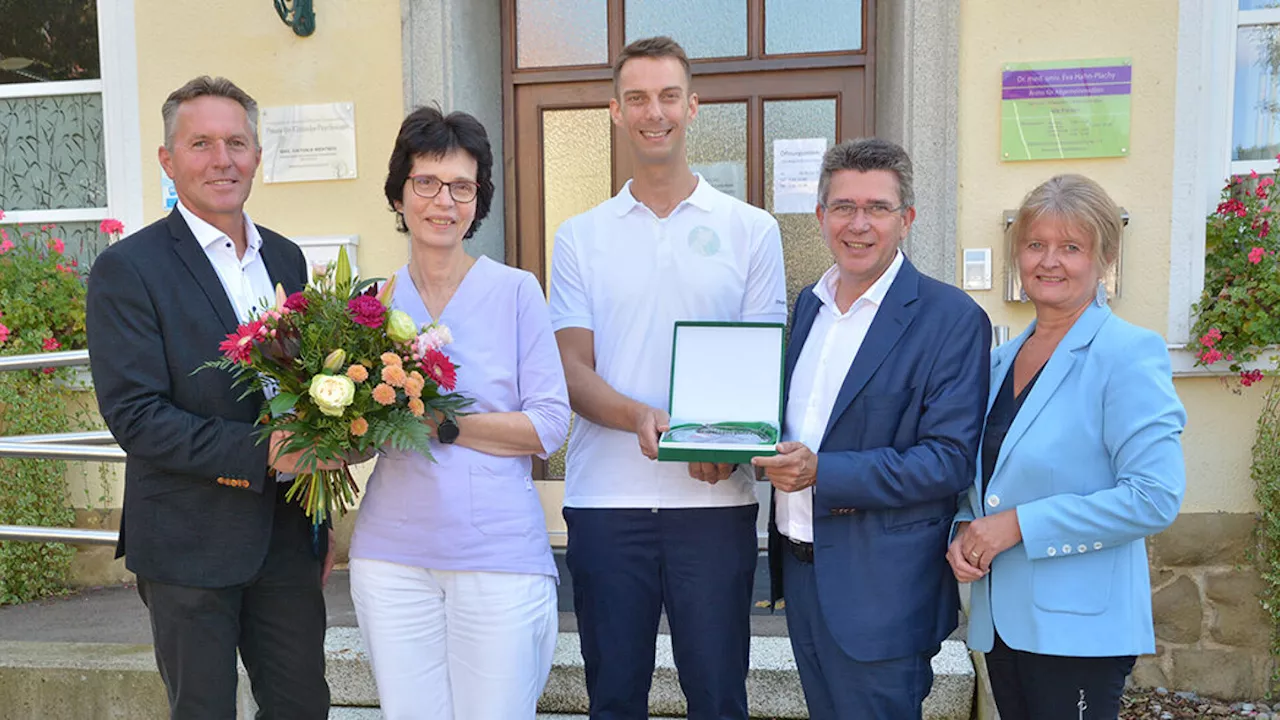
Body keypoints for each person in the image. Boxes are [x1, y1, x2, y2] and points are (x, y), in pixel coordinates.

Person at [548, 36, 787, 720]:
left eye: (669, 96)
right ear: (616, 113)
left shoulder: (751, 229)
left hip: (714, 505)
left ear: (694, 106)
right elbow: (570, 369)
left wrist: (726, 440)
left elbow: (757, 361)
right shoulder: (580, 236)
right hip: (604, 503)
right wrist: (638, 417)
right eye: (638, 98)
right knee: (614, 697)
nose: (655, 112)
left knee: (718, 697)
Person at [86, 76, 333, 718]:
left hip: (285, 536)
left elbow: (302, 395)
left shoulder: (286, 258)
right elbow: (136, 416)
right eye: (201, 143)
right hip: (186, 542)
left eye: (236, 142)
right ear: (168, 160)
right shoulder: (128, 268)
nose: (222, 159)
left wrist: (320, 519)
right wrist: (267, 452)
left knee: (303, 705)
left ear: (256, 153)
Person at [751, 138, 991, 720]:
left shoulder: (951, 319)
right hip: (804, 575)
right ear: (820, 217)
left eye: (877, 208)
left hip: (883, 592)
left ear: (905, 219)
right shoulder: (808, 305)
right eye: (843, 207)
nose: (858, 224)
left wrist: (821, 472)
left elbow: (948, 460)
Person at [347, 106, 570, 720]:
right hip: (390, 560)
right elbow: (362, 436)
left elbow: (549, 425)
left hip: (496, 557)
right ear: (399, 193)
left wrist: (442, 423)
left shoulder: (517, 291)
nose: (443, 201)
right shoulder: (371, 303)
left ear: (478, 200)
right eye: (426, 182)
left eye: (462, 186)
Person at [946, 174, 1186, 720]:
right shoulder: (999, 361)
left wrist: (1017, 525)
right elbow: (988, 481)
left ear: (1104, 258)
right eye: (1035, 244)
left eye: (1071, 247)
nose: (1049, 261)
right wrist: (964, 529)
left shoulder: (1127, 353)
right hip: (1003, 622)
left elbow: (1154, 497)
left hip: (1079, 632)